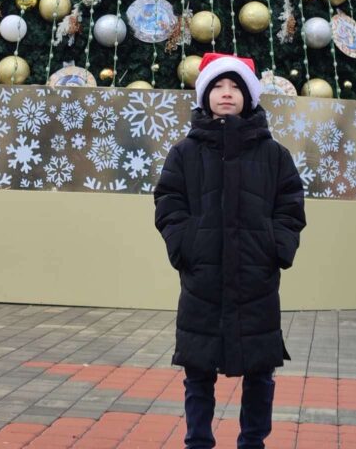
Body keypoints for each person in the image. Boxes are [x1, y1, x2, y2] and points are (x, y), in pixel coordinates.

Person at [154, 52, 307, 449]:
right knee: (197, 369)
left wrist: (276, 247)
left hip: (256, 279)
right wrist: (185, 244)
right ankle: (198, 441)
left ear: (249, 96)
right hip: (202, 278)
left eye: (235, 87)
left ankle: (253, 442)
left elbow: (290, 206)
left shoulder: (273, 154)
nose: (226, 93)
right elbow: (169, 203)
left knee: (261, 371)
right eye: (218, 86)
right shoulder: (184, 153)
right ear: (205, 95)